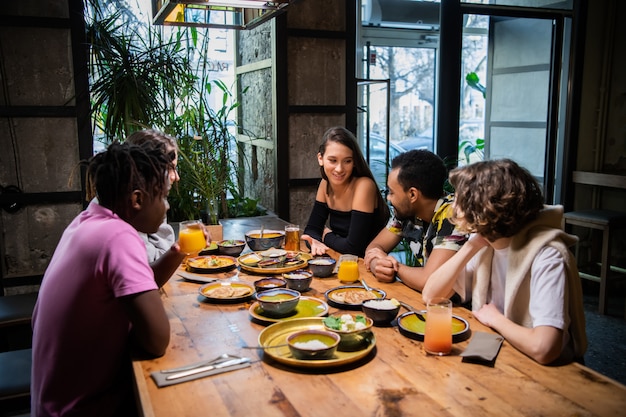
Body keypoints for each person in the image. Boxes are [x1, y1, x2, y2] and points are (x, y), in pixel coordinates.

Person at [31, 142, 183, 416]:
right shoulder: (118, 237)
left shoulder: (87, 221)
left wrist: (177, 253)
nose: (166, 207)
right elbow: (157, 340)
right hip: (82, 408)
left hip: (52, 402)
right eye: (163, 197)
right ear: (137, 200)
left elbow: (142, 283)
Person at [422, 159, 587, 365]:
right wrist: (471, 246)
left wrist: (495, 319)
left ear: (483, 206)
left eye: (459, 198)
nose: (453, 204)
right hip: (500, 349)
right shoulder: (487, 246)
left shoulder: (547, 256)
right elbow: (431, 296)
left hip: (548, 371)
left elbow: (545, 348)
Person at [363, 150, 469, 292]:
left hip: (459, 308)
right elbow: (374, 247)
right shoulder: (406, 212)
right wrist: (378, 265)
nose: (388, 198)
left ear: (412, 194)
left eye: (392, 192)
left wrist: (395, 268)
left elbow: (428, 281)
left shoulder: (453, 214)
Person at [302, 127, 390, 257]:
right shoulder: (325, 184)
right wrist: (315, 241)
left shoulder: (364, 186)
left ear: (354, 162)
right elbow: (311, 231)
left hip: (367, 266)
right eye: (333, 160)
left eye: (347, 161)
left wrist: (326, 235)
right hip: (341, 260)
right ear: (320, 158)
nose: (339, 169)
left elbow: (353, 248)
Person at [125, 129, 180, 262]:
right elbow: (150, 265)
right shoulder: (123, 214)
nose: (176, 177)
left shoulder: (147, 201)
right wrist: (181, 248)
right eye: (170, 168)